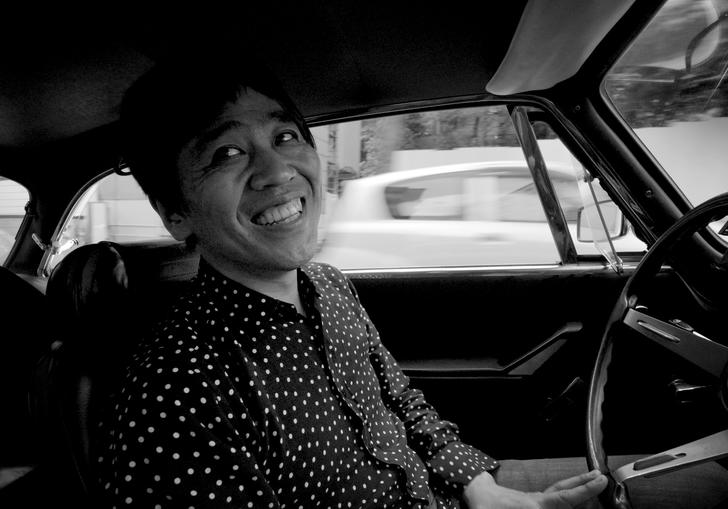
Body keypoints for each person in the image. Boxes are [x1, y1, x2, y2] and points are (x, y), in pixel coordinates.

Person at [95, 48, 727, 508]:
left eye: (286, 136)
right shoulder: (176, 389)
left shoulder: (329, 287)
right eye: (226, 153)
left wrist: (485, 490)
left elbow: (401, 405)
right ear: (175, 213)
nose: (277, 170)